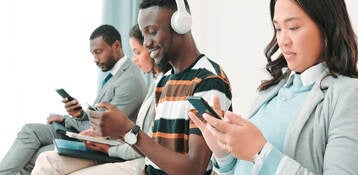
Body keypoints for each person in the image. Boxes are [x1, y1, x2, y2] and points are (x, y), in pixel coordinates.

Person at [188, 0, 358, 174]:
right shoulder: (271, 91)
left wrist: (260, 152)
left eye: (293, 27)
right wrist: (223, 153)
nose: (283, 41)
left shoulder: (351, 96)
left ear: (327, 27)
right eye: (278, 29)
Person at [88, 0, 232, 174]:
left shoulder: (208, 80)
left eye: (152, 32)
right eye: (144, 34)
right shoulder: (164, 82)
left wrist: (128, 129)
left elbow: (194, 169)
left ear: (181, 25)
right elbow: (154, 154)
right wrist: (122, 132)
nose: (147, 43)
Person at [0, 24, 147, 175]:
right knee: (30, 131)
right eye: (92, 54)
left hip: (103, 142)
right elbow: (99, 115)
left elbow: (103, 128)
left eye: (98, 52)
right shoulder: (114, 75)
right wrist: (80, 115)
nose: (95, 59)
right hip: (85, 131)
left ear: (116, 45)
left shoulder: (131, 80)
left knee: (37, 154)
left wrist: (65, 120)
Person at [31, 24, 172, 175]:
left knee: (44, 154)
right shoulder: (154, 83)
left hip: (127, 152)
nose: (134, 59)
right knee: (44, 156)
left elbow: (142, 140)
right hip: (119, 145)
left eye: (137, 52)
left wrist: (109, 147)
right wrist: (81, 116)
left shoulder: (135, 81)